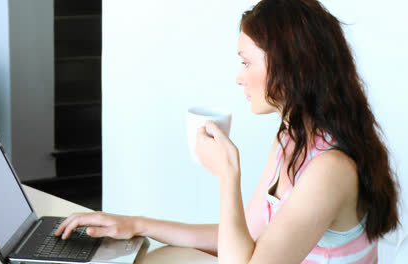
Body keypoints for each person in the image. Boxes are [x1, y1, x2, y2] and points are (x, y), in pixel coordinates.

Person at [55, 0, 400, 262]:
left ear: (291, 67)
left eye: (247, 62)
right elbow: (242, 241)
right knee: (154, 256)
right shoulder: (290, 139)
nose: (238, 77)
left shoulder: (330, 170)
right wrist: (136, 224)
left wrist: (228, 176)